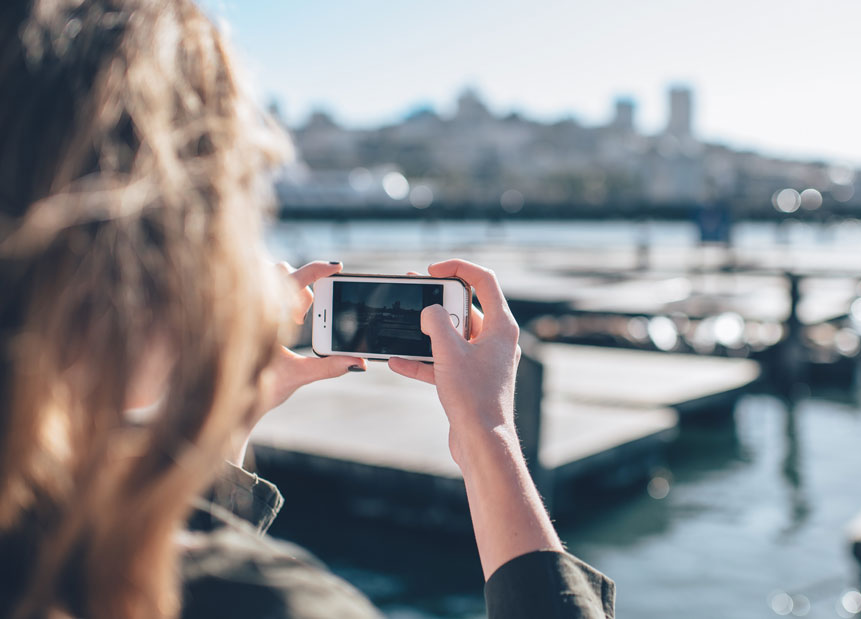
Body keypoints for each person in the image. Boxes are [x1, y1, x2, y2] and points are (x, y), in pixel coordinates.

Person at [0, 1, 615, 618]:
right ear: (153, 247)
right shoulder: (269, 602)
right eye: (242, 193)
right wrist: (489, 434)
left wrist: (233, 413)